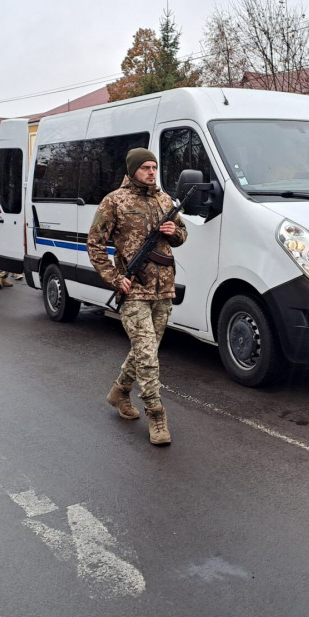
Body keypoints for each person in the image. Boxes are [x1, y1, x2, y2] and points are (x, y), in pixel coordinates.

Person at [87, 148, 188, 446]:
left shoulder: (164, 199)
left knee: (148, 349)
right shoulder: (114, 201)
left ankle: (119, 391)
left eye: (154, 167)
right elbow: (95, 244)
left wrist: (174, 232)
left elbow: (182, 235)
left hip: (164, 288)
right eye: (145, 167)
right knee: (146, 353)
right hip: (133, 290)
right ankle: (156, 415)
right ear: (133, 170)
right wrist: (115, 279)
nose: (152, 172)